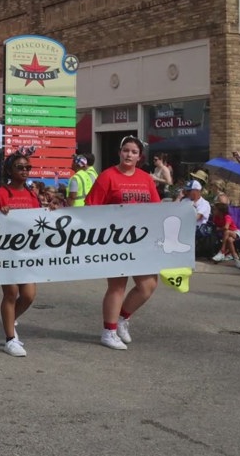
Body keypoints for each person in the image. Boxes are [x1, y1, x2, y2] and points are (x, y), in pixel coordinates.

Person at [85, 135, 161, 350]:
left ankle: (121, 319)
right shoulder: (107, 177)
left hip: (141, 241)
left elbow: (156, 208)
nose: (129, 155)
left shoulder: (146, 178)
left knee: (148, 285)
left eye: (133, 152)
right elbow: (91, 206)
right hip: (115, 240)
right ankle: (108, 332)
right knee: (117, 286)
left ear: (139, 156)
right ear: (119, 152)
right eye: (125, 150)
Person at [0, 147, 42, 357]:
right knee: (11, 293)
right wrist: (1, 215)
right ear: (10, 171)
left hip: (27, 252)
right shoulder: (1, 194)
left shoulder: (31, 194)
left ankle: (9, 322)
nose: (25, 171)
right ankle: (10, 338)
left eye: (28, 167)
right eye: (20, 167)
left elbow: (39, 220)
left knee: (28, 295)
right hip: (6, 251)